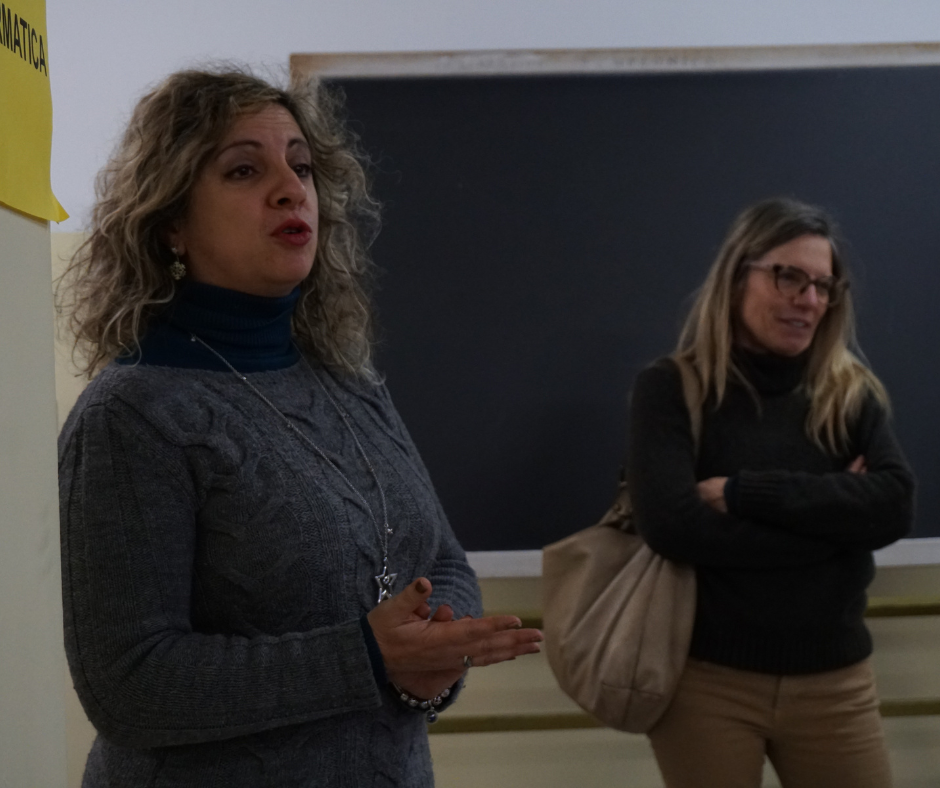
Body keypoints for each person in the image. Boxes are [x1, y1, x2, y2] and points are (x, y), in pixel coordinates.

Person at [57, 67, 542, 787]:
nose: (291, 189)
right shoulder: (132, 414)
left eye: (302, 166)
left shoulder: (348, 382)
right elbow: (128, 684)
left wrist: (431, 658)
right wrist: (367, 657)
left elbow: (440, 558)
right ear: (171, 224)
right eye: (244, 169)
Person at [626, 197, 914, 788]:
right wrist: (836, 525)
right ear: (737, 276)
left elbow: (893, 507)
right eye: (788, 276)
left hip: (837, 681)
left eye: (823, 285)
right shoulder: (673, 388)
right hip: (706, 684)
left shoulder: (850, 393)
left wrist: (744, 493)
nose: (808, 299)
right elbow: (673, 526)